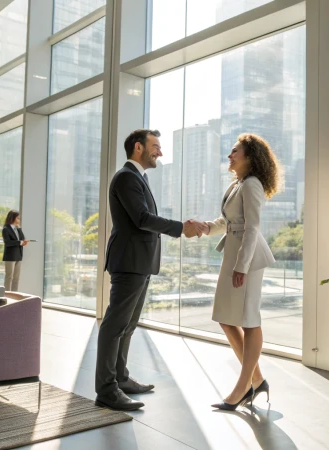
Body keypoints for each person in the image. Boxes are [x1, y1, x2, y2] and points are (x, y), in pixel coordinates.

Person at [95, 129, 206, 411]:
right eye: (155, 146)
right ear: (138, 148)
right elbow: (142, 219)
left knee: (128, 325)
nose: (160, 152)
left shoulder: (137, 178)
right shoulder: (126, 177)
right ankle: (107, 390)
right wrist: (181, 228)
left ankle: (120, 378)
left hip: (139, 262)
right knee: (115, 324)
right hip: (129, 262)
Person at [199, 133, 281, 410]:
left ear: (249, 157)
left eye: (235, 151)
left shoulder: (252, 184)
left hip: (246, 259)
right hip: (233, 255)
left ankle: (243, 387)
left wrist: (242, 267)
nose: (229, 155)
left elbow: (252, 227)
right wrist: (205, 227)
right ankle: (257, 381)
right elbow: (229, 221)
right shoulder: (239, 184)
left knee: (249, 319)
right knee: (225, 317)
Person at [2, 210, 28, 292]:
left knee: (16, 278)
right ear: (12, 218)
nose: (19, 220)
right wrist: (20, 242)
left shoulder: (17, 229)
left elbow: (22, 238)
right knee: (9, 277)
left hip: (18, 255)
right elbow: (7, 242)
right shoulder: (6, 229)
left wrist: (19, 229)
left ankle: (14, 294)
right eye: (17, 218)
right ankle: (7, 295)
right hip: (10, 256)